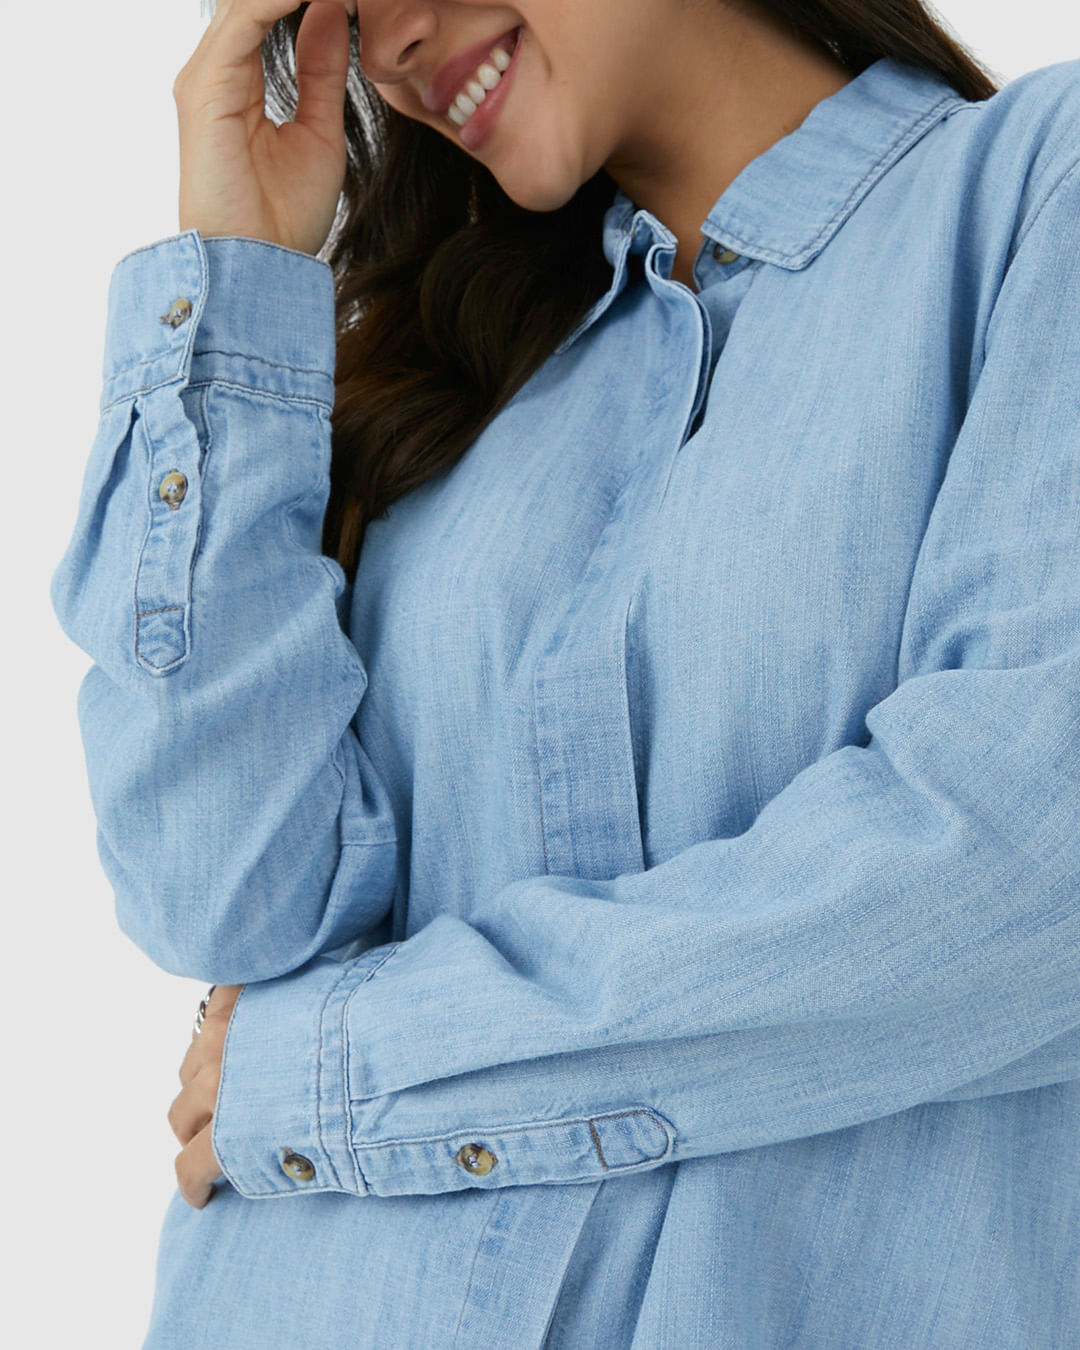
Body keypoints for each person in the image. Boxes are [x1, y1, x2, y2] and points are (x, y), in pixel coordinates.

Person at [51, 0, 1080, 1345]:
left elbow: (1021, 872)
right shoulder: (442, 374)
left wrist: (352, 1068)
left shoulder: (1032, 200)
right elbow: (222, 894)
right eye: (347, 5)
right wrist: (236, 280)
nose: (400, 39)